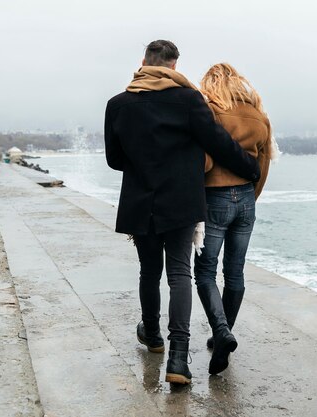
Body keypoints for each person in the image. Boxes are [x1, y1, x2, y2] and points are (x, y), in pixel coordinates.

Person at [104, 41, 260, 385]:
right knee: (179, 274)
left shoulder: (118, 104)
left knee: (149, 270)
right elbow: (218, 142)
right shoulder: (189, 100)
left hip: (139, 200)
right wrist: (250, 167)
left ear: (144, 62)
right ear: (174, 67)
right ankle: (179, 359)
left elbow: (114, 159)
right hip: (181, 201)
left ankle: (153, 336)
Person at [194, 63, 275, 373]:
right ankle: (221, 338)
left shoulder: (211, 111)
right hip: (246, 200)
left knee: (204, 270)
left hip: (215, 197)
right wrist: (250, 198)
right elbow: (264, 164)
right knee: (235, 271)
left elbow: (205, 159)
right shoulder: (259, 116)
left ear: (212, 83)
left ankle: (221, 330)